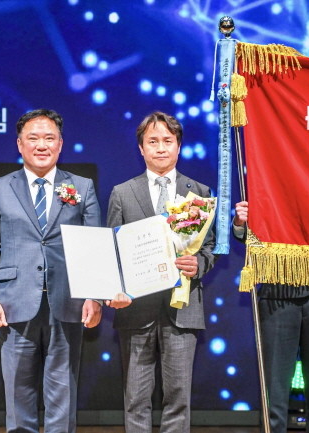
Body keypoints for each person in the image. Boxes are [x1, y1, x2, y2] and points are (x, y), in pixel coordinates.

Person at [0, 109, 103, 433]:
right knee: (18, 389)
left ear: (60, 144)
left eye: (49, 138)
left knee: (63, 389)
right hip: (14, 302)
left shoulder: (82, 187)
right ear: (20, 144)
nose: (41, 145)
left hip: (69, 300)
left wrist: (95, 296)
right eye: (33, 138)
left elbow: (94, 248)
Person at [107, 111, 217, 433]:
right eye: (152, 141)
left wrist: (199, 265)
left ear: (178, 146)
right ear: (141, 148)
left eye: (167, 141)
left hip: (182, 308)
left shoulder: (199, 192)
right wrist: (115, 288)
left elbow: (209, 248)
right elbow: (112, 250)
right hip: (135, 309)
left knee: (178, 397)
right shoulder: (122, 193)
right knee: (135, 397)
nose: (160, 148)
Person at [233, 200, 309, 433]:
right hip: (278, 296)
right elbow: (257, 241)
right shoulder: (274, 188)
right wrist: (241, 224)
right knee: (274, 391)